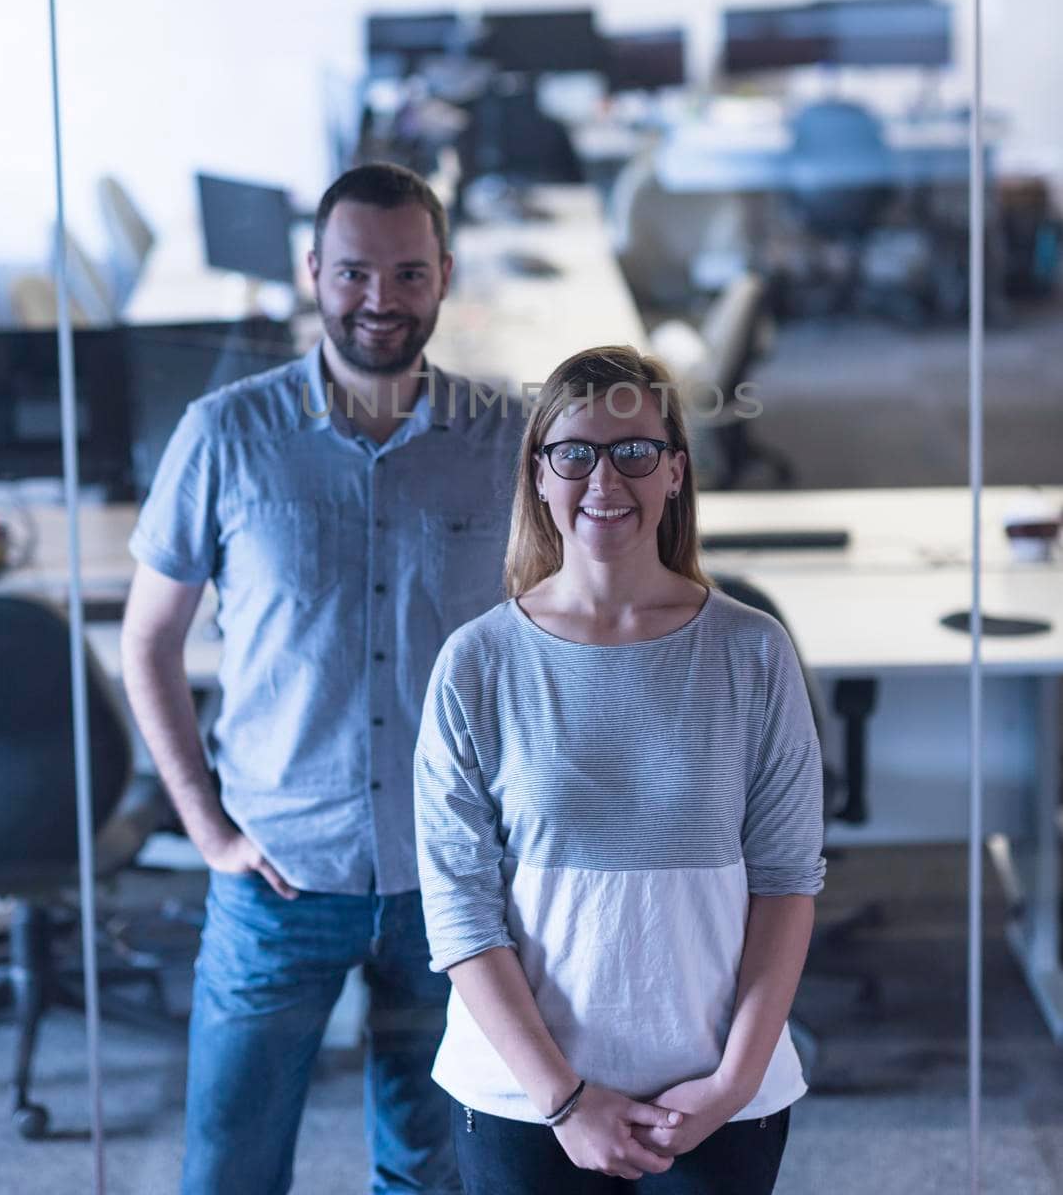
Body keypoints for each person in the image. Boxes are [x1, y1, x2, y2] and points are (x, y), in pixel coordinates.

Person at [121, 162, 524, 1195]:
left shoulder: (505, 440)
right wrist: (209, 831)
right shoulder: (227, 435)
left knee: (435, 1170)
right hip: (278, 872)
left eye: (405, 273)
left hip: (453, 875)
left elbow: (557, 637)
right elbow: (148, 641)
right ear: (312, 272)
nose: (379, 300)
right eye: (353, 273)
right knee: (230, 1169)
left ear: (444, 276)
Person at [414, 344, 825, 1193]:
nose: (605, 480)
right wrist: (565, 1101)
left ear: (675, 470)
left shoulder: (753, 652)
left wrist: (732, 1084)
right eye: (575, 453)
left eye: (634, 450)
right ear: (538, 474)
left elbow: (786, 881)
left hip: (715, 1090)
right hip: (526, 1097)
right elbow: (459, 911)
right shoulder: (477, 663)